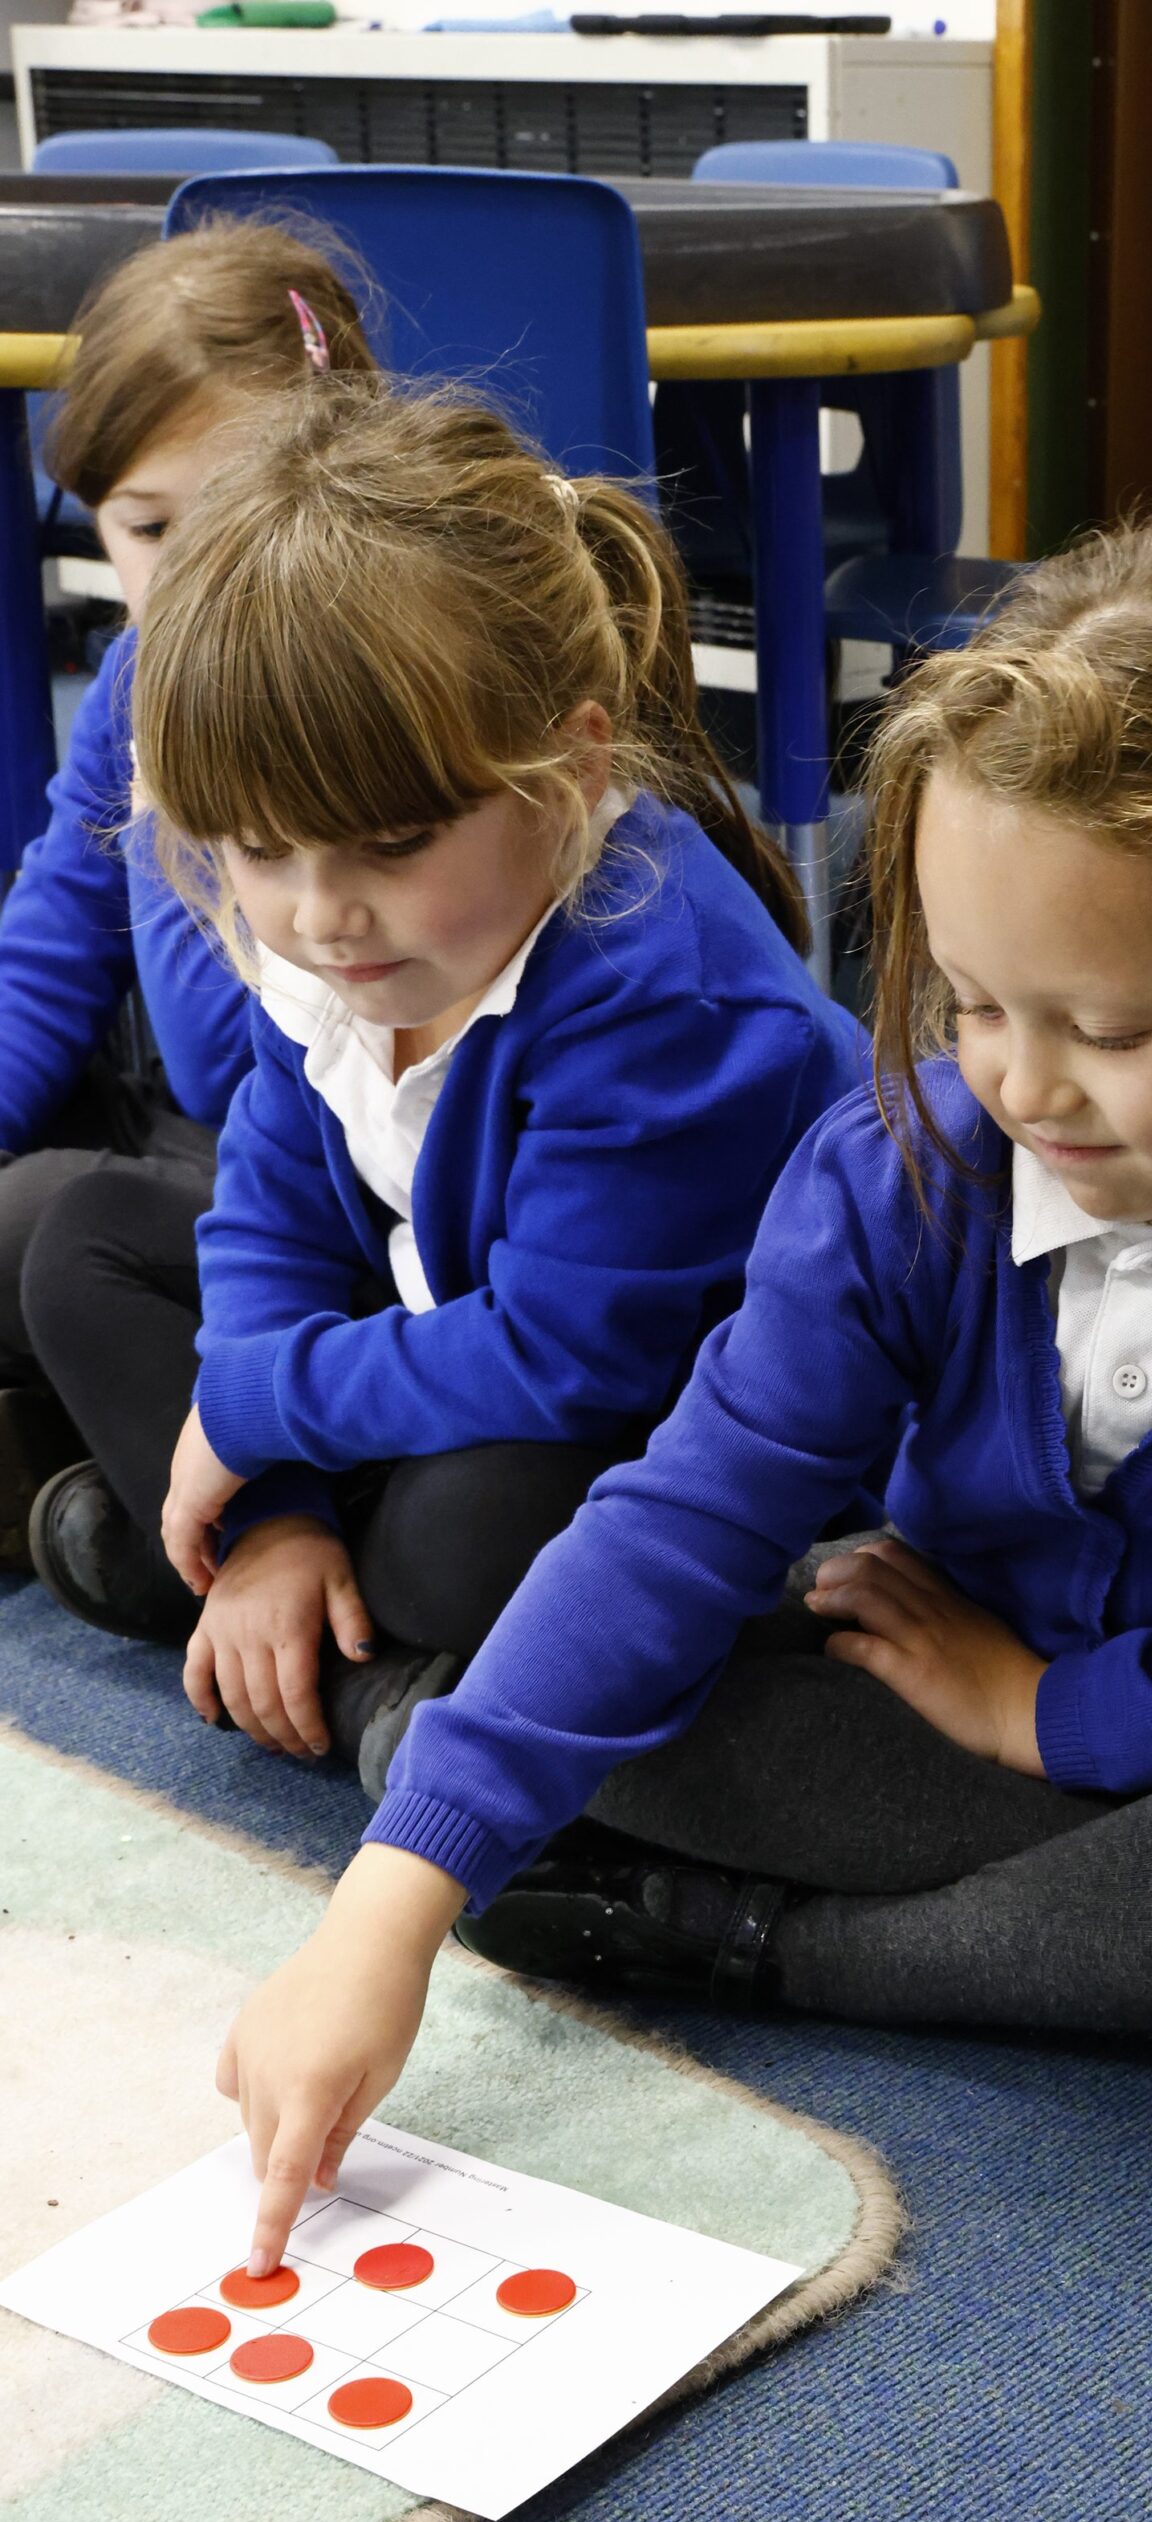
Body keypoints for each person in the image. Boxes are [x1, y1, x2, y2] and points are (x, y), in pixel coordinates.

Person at [208, 506, 1152, 2271]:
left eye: (1110, 1031)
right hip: (931, 1713)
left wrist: (1045, 1716)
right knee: (628, 1675)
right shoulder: (899, 1163)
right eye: (970, 1005)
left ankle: (778, 1951)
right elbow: (686, 1519)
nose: (1022, 1089)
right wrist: (385, 1909)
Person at [26, 377, 866, 1769]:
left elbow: (569, 1357)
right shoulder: (344, 940)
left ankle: (309, 1633)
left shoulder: (667, 993)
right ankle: (288, 1590)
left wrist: (252, 1407)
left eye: (393, 844)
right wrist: (275, 1505)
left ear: (568, 771)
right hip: (454, 1331)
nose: (318, 915)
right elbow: (272, 1215)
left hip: (650, 1413)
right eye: (258, 850)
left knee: (474, 1535)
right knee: (83, 1244)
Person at [0, 219, 376, 1561]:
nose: (186, 575)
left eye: (231, 520)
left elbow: (231, 1068)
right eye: (148, 528)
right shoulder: (130, 674)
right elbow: (51, 941)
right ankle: (116, 1467)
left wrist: (169, 800)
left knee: (58, 1236)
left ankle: (213, 1505)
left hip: (311, 1187)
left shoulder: (356, 688)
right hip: (181, 1150)